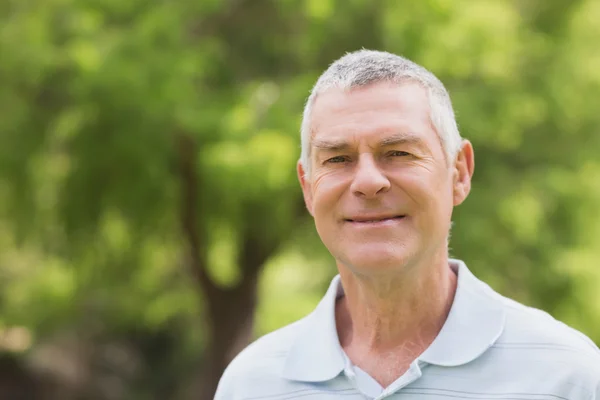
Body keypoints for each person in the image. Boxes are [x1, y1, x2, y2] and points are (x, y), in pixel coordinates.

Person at [214, 50, 600, 399]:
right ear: (308, 188)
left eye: (397, 152)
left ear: (459, 173)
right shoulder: (252, 384)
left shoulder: (568, 377)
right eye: (337, 159)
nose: (367, 182)